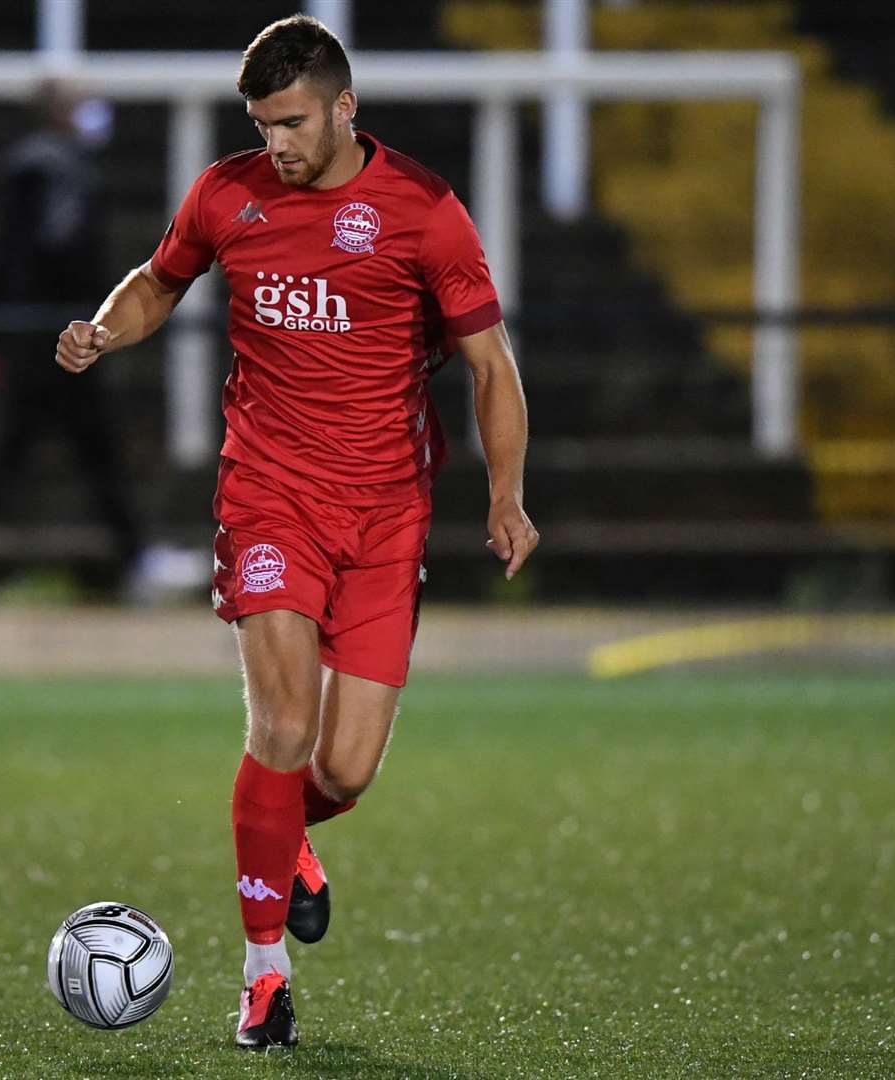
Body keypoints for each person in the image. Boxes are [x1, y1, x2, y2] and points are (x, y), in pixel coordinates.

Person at [55, 16, 539, 1049]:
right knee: (279, 728)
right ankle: (263, 980)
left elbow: (491, 368)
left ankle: (285, 843)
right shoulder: (229, 194)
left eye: (293, 122)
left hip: (386, 511)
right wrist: (105, 328)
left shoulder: (420, 212)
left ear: (344, 106)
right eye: (262, 124)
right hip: (267, 494)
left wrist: (505, 497)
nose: (276, 143)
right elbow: (159, 280)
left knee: (345, 770)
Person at [0, 80, 203, 608]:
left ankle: (137, 562)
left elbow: (2, 262)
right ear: (61, 114)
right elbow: (43, 257)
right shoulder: (56, 173)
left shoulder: (43, 169)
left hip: (43, 333)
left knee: (85, 449)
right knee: (32, 449)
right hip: (53, 337)